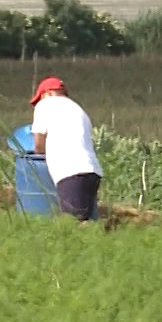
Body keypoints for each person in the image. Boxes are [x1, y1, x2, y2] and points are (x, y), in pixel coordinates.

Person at [30, 76, 103, 221]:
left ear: (48, 93)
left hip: (71, 171)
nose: (39, 102)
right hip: (92, 172)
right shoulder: (78, 110)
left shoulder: (45, 105)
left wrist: (41, 154)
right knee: (87, 219)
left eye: (40, 98)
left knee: (73, 223)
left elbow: (38, 144)